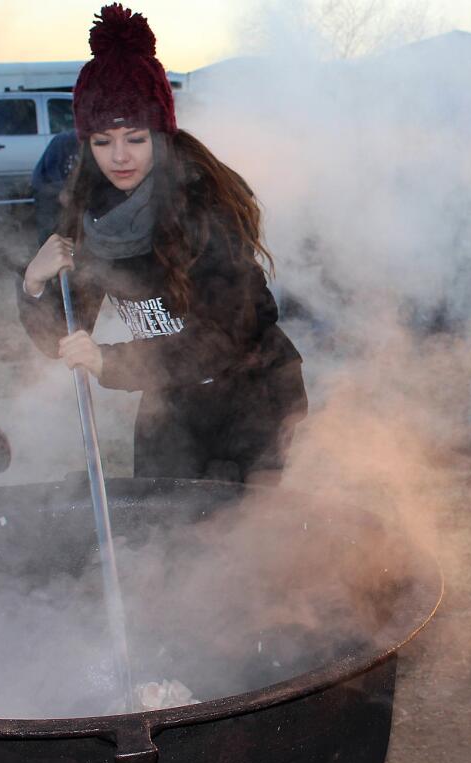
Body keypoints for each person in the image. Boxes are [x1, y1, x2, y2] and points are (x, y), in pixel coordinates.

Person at [18, 5, 307, 485]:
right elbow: (64, 336)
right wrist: (33, 284)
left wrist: (111, 361)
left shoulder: (203, 206)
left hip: (252, 396)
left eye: (135, 137)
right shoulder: (91, 213)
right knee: (161, 531)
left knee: (242, 541)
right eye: (102, 141)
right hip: (173, 396)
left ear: (159, 133)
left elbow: (222, 339)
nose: (120, 157)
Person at [31, 129, 80, 245]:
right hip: (44, 186)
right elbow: (51, 168)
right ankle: (46, 251)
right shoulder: (62, 140)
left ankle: (69, 253)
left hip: (64, 187)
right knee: (49, 223)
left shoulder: (89, 145)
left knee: (69, 223)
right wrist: (62, 190)